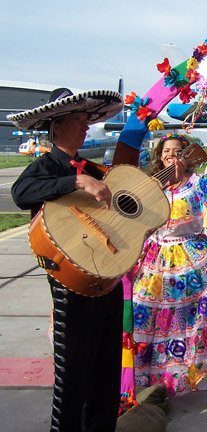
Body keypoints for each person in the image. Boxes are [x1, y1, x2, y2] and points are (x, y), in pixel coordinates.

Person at [10, 88, 125, 432]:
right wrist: (75, 180)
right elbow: (20, 194)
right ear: (55, 127)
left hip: (107, 277)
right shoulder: (45, 167)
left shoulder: (95, 168)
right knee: (73, 371)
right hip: (68, 281)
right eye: (77, 120)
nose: (85, 127)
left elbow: (116, 214)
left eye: (87, 120)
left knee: (108, 369)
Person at [130, 133, 207, 395]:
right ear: (160, 156)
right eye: (166, 152)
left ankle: (183, 374)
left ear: (187, 156)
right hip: (153, 257)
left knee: (188, 319)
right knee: (147, 317)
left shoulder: (199, 182)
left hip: (190, 256)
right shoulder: (150, 185)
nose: (171, 156)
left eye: (176, 152)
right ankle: (151, 380)